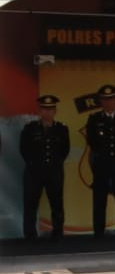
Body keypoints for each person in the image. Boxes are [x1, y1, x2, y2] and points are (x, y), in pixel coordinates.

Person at [19, 93, 70, 241]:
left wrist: (55, 164)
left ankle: (58, 233)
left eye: (50, 109)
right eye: (44, 109)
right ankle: (30, 235)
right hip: (34, 173)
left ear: (55, 111)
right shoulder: (30, 129)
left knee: (57, 205)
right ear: (39, 111)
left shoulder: (61, 129)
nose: (47, 112)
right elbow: (23, 149)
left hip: (54, 172)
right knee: (30, 205)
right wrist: (33, 164)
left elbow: (65, 150)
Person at [86, 83, 115, 238]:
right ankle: (98, 233)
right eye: (105, 100)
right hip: (101, 165)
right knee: (99, 201)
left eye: (111, 99)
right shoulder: (94, 119)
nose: (108, 103)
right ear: (101, 102)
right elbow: (92, 142)